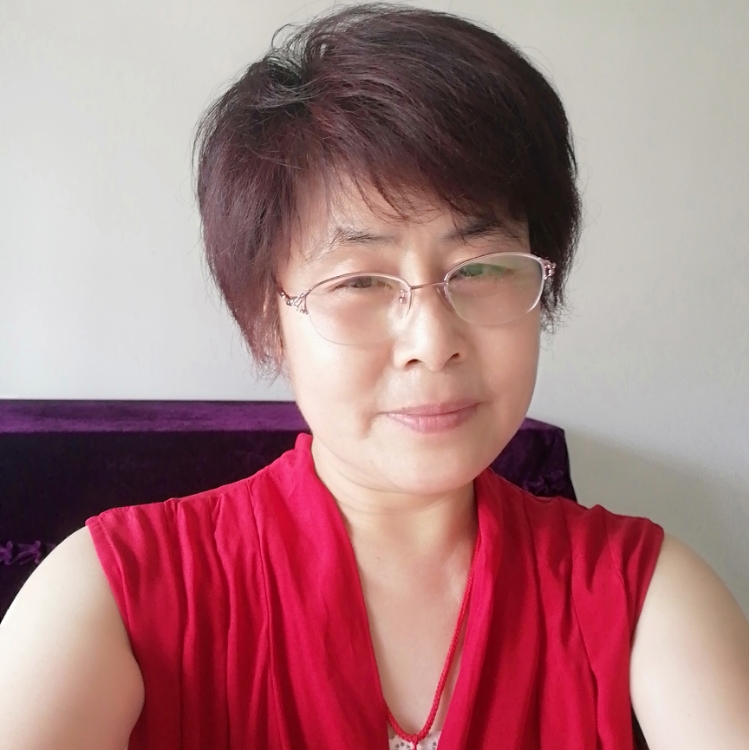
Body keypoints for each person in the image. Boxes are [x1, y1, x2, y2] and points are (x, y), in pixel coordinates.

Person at [1, 4, 748, 749]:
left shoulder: (645, 592)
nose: (432, 343)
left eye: (481, 267)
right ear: (268, 319)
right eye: (359, 281)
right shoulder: (111, 596)